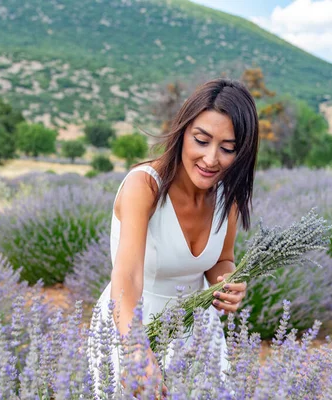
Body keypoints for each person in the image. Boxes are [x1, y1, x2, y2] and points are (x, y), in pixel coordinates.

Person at [88, 78, 259, 397]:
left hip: (198, 332)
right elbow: (127, 276)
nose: (211, 159)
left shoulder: (227, 196)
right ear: (182, 133)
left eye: (227, 149)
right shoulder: (145, 187)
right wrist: (136, 349)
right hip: (133, 324)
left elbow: (221, 259)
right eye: (201, 140)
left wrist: (229, 281)